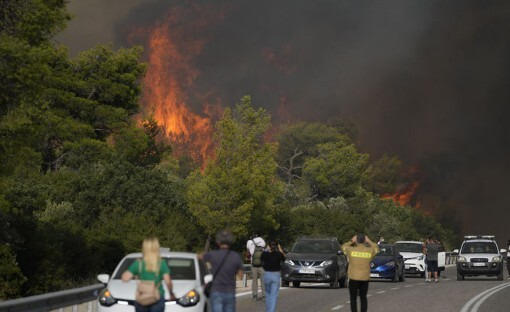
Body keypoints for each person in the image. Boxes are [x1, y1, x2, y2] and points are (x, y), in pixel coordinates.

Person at [121, 237, 175, 312]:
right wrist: (171, 294)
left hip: (142, 297)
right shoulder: (161, 263)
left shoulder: (138, 263)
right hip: (157, 298)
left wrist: (134, 269)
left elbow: (125, 278)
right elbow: (168, 282)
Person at [203, 230, 244, 312]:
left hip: (216, 290)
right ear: (230, 242)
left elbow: (200, 258)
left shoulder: (212, 254)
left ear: (218, 242)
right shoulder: (235, 256)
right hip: (229, 291)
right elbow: (241, 276)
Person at [342, 234, 379, 312]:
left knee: (353, 298)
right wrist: (369, 241)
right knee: (363, 297)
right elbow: (376, 248)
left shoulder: (351, 250)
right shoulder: (369, 251)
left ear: (357, 241)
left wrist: (352, 241)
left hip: (353, 277)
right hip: (364, 278)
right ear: (364, 241)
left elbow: (343, 247)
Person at [261, 240, 286, 312]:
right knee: (274, 295)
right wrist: (280, 248)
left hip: (267, 274)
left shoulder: (265, 254)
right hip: (276, 275)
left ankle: (268, 310)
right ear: (276, 246)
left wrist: (267, 249)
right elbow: (284, 258)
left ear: (269, 246)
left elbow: (261, 259)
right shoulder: (279, 254)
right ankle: (271, 311)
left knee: (268, 294)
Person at [246, 233, 266, 301]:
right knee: (263, 281)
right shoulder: (262, 240)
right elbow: (264, 248)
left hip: (253, 265)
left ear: (251, 237)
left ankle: (255, 296)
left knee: (254, 281)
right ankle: (264, 296)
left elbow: (248, 252)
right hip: (262, 265)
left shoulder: (249, 242)